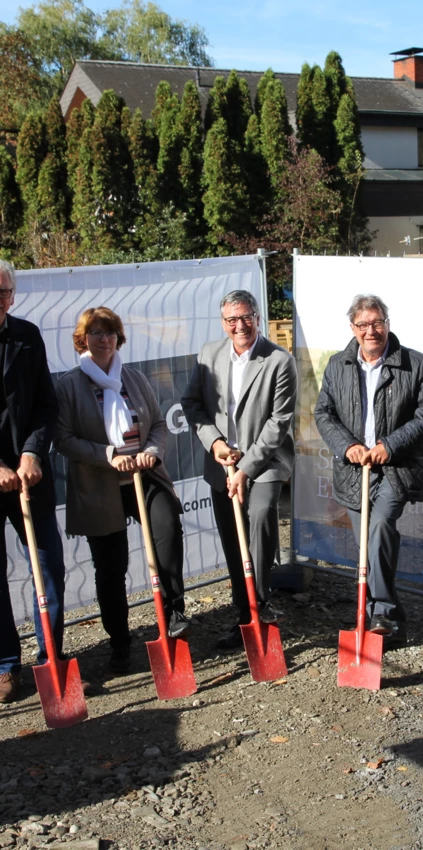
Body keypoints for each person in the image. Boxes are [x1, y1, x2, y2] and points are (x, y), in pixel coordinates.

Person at [54, 307, 189, 675]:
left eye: (110, 332)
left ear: (118, 337)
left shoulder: (133, 377)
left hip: (145, 477)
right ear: (83, 339)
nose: (103, 339)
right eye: (95, 333)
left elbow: (159, 424)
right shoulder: (69, 386)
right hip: (100, 487)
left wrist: (151, 451)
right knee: (111, 569)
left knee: (167, 535)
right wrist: (107, 455)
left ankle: (173, 615)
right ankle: (119, 642)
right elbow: (63, 438)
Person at [314, 294, 423, 649]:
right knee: (364, 546)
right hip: (355, 471)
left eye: (378, 322)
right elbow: (324, 413)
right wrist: (347, 446)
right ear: (352, 328)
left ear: (388, 322)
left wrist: (391, 445)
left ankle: (381, 609)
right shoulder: (338, 365)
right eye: (363, 324)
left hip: (396, 469)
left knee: (381, 525)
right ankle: (386, 620)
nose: (372, 331)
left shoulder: (414, 363)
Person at [181, 290, 296, 650]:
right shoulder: (208, 355)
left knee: (260, 517)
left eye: (246, 317)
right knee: (233, 540)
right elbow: (192, 403)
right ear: (223, 323)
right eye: (232, 320)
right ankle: (242, 615)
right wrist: (215, 443)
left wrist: (245, 468)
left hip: (265, 463)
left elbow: (279, 422)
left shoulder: (279, 360)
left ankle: (260, 606)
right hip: (221, 464)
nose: (240, 326)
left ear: (257, 318)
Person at [0, 260, 66, 704]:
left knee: (48, 566)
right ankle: (6, 664)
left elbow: (46, 404)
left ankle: (51, 658)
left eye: (4, 291)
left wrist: (30, 452)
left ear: (13, 294)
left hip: (30, 474)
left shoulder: (27, 336)